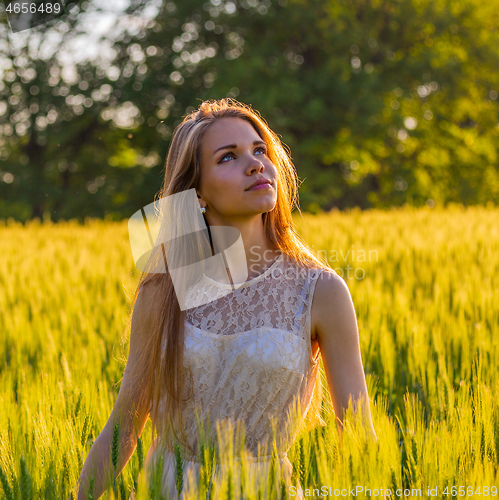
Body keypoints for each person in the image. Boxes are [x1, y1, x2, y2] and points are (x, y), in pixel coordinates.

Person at [73, 98, 377, 500]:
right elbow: (124, 427)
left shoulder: (321, 291)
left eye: (259, 150)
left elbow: (356, 436)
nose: (255, 164)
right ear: (197, 191)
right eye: (228, 157)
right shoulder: (163, 291)